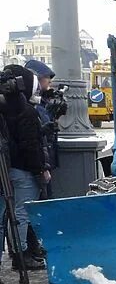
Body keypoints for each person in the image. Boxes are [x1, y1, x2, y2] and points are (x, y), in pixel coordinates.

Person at [0, 64, 48, 271]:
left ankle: (18, 253)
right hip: (24, 170)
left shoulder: (5, 109)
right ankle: (21, 255)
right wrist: (40, 170)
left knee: (11, 214)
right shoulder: (25, 111)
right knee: (22, 213)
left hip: (9, 167)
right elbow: (30, 145)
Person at [24, 60, 58, 261]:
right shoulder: (30, 107)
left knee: (40, 204)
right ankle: (28, 249)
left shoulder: (38, 103)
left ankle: (34, 246)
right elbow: (33, 139)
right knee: (31, 207)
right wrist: (42, 167)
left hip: (42, 161)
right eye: (46, 79)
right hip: (35, 164)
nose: (48, 84)